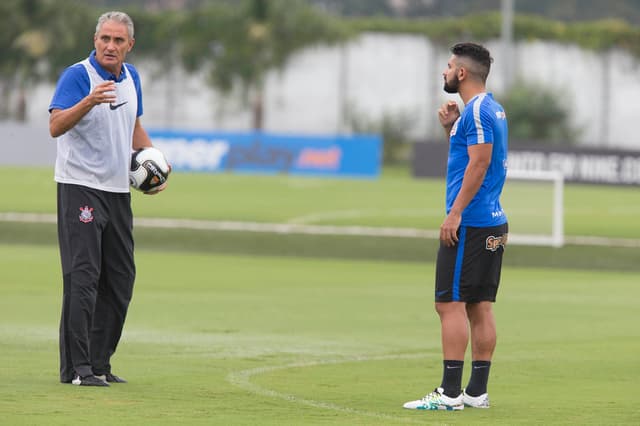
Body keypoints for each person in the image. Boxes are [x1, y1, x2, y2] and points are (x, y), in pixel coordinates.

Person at [49, 11, 165, 387]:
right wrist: (89, 101)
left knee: (120, 279)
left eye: (118, 40)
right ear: (94, 40)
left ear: (130, 45)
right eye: (104, 39)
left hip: (117, 191)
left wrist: (157, 167)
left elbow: (134, 127)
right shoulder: (79, 76)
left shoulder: (132, 78)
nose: (110, 46)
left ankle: (100, 364)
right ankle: (78, 370)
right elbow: (54, 125)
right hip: (79, 186)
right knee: (83, 278)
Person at [403, 42, 508, 410]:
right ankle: (476, 392)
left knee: (448, 304)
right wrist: (452, 129)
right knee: (480, 306)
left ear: (462, 73)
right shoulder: (488, 109)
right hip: (492, 221)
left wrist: (455, 213)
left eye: (448, 66)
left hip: (472, 223)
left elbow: (479, 165)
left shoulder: (477, 111)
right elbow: (474, 156)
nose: (444, 72)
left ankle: (449, 394)